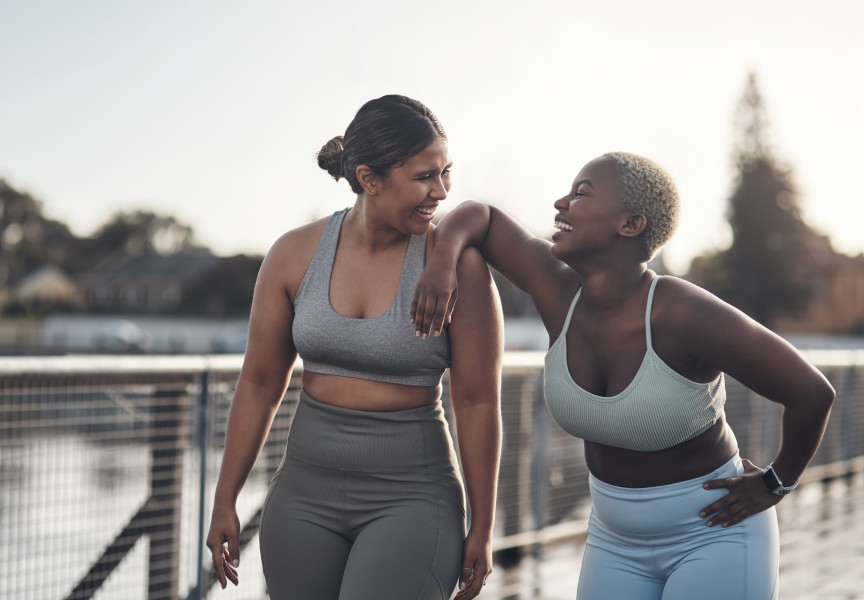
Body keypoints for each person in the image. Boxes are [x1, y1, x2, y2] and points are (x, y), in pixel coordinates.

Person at [410, 151, 835, 599]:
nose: (561, 203)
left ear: (631, 224)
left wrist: (776, 482)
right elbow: (482, 217)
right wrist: (441, 265)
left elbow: (810, 393)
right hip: (614, 541)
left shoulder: (684, 313)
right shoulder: (556, 288)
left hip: (714, 533)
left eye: (581, 193)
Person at [206, 94, 503, 600]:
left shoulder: (457, 268)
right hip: (304, 491)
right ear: (369, 179)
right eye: (424, 176)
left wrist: (482, 526)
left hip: (414, 496)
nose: (442, 191)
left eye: (446, 172)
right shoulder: (293, 254)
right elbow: (258, 383)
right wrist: (225, 497)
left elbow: (477, 402)